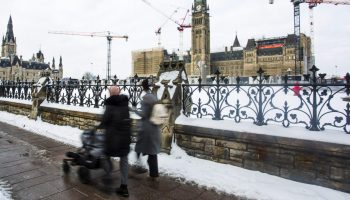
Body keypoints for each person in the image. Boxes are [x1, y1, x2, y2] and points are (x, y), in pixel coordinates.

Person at [98, 86, 131, 197]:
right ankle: (124, 187)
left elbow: (104, 122)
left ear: (110, 94)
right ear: (119, 93)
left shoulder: (110, 105)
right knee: (124, 160)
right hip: (125, 138)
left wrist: (97, 129)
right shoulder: (125, 104)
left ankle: (108, 177)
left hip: (112, 139)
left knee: (105, 156)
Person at [134, 79, 161, 181]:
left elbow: (143, 114)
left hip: (147, 129)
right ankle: (154, 175)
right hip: (155, 128)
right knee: (152, 153)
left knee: (138, 147)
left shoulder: (146, 98)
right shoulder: (154, 97)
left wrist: (134, 110)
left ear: (143, 87)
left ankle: (138, 166)